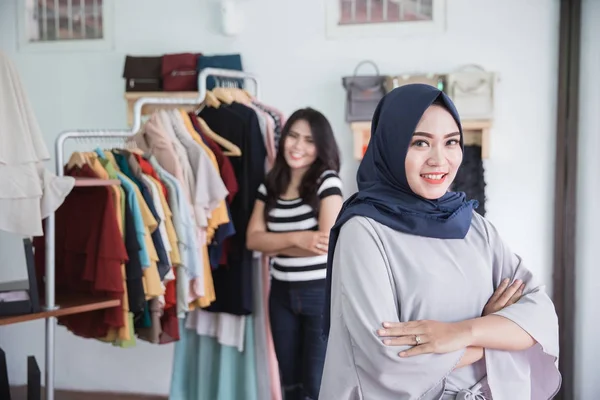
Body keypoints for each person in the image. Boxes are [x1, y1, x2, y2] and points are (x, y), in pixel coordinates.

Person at [319, 85, 561, 399]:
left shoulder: (473, 225)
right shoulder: (363, 231)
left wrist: (463, 332)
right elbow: (388, 360)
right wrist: (495, 333)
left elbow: (540, 317)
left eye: (451, 142)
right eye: (420, 142)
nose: (439, 159)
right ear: (390, 145)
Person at [246, 107, 344, 400]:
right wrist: (299, 238)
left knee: (315, 386)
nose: (298, 146)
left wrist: (273, 242)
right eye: (293, 136)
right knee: (289, 383)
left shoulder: (327, 181)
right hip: (281, 294)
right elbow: (252, 240)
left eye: (309, 140)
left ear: (321, 146)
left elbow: (326, 243)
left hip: (319, 295)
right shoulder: (271, 183)